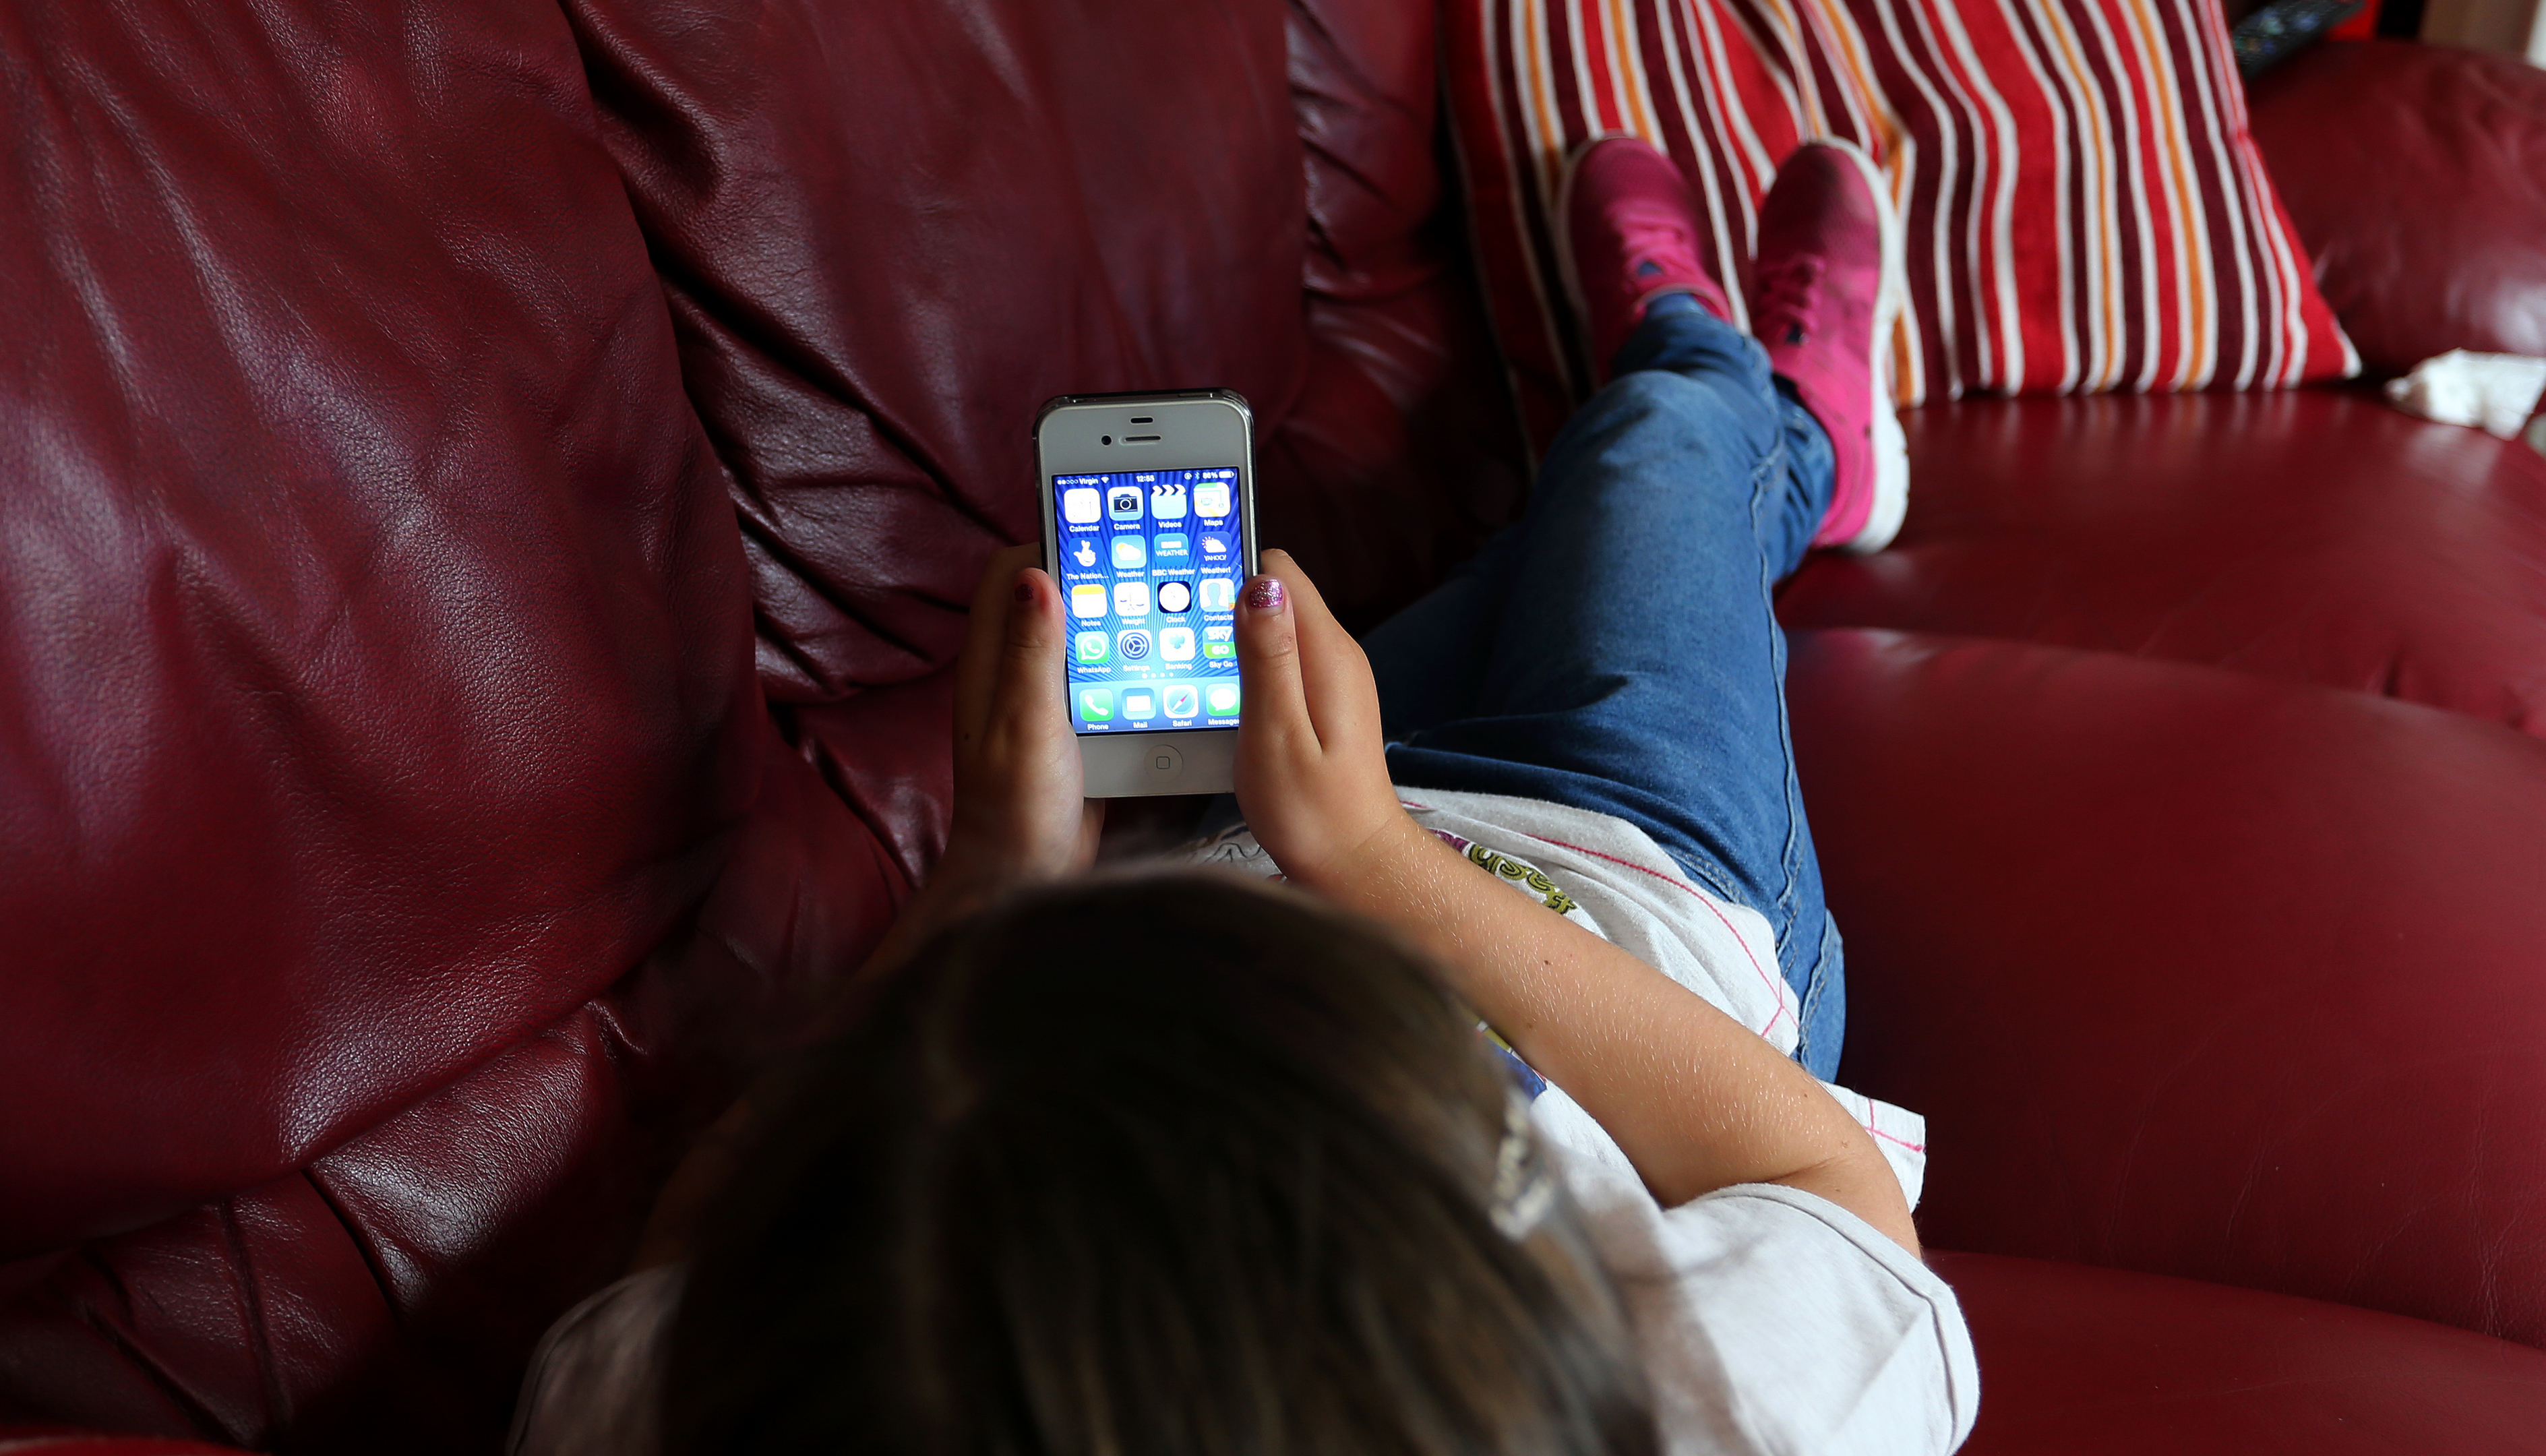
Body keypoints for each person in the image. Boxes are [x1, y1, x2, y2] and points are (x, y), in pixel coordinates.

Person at [508, 136, 1976, 1456]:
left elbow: (681, 1269)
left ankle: (1731, 426)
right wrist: (1367, 857)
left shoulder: (745, 1394)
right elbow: (1814, 1176)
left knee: (1554, 532)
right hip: (1620, 874)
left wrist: (993, 879)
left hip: (1264, 816)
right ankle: (1754, 386)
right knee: (1654, 444)